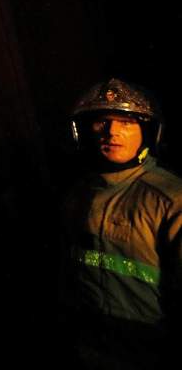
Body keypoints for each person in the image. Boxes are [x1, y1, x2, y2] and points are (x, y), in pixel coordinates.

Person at [62, 78, 181, 368]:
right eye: (101, 122)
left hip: (149, 352)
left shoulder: (170, 198)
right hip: (89, 347)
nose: (112, 132)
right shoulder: (77, 194)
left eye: (126, 122)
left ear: (147, 132)